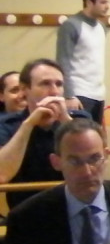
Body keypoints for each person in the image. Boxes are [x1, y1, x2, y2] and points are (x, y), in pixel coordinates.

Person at [0, 59, 90, 202]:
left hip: (73, 206)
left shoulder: (79, 119)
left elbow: (91, 166)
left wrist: (65, 120)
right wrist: (28, 125)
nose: (54, 91)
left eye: (59, 84)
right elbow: (2, 175)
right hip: (26, 211)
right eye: (45, 84)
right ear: (24, 89)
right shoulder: (6, 124)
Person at [54, 0, 109, 123]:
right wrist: (69, 95)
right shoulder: (71, 25)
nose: (107, 6)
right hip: (79, 94)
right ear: (89, 2)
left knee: (94, 138)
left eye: (108, 2)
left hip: (98, 94)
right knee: (78, 140)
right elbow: (62, 61)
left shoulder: (101, 27)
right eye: (103, 2)